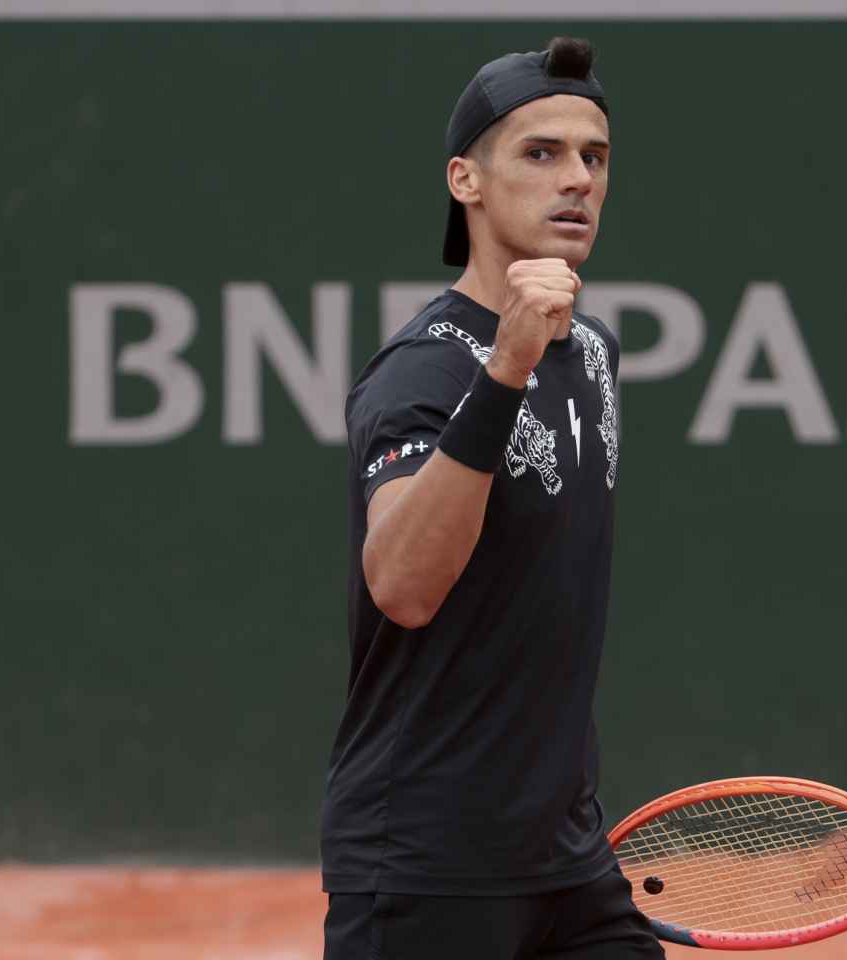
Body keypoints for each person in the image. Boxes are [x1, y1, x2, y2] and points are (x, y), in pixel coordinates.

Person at [319, 37, 661, 960]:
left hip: (567, 858)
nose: (579, 181)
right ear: (465, 180)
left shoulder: (592, 351)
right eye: (541, 153)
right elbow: (403, 587)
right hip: (428, 862)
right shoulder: (422, 370)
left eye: (595, 157)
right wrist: (505, 366)